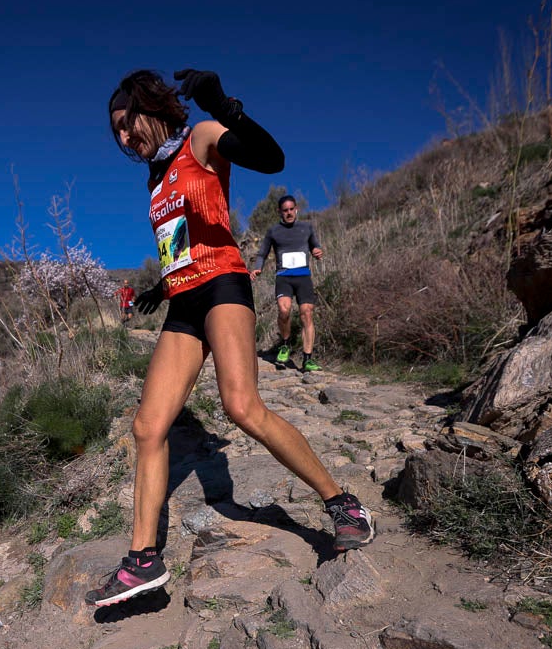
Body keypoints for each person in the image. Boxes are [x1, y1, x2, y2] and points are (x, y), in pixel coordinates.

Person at [87, 68, 374, 608]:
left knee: (241, 406)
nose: (123, 137)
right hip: (183, 299)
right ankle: (143, 560)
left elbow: (271, 159)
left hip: (222, 285)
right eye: (116, 131)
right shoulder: (154, 179)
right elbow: (180, 243)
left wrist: (223, 107)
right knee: (148, 426)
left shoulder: (200, 139)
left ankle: (342, 503)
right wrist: (159, 286)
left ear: (150, 109)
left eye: (128, 123)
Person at [251, 195, 323, 372]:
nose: (289, 213)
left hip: (303, 277)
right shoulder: (273, 231)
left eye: (291, 209)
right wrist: (257, 268)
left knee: (307, 314)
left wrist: (317, 251)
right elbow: (262, 253)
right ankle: (285, 344)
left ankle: (307, 359)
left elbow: (315, 245)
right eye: (285, 210)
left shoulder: (306, 227)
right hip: (284, 277)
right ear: (280, 212)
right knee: (284, 311)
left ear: (296, 209)